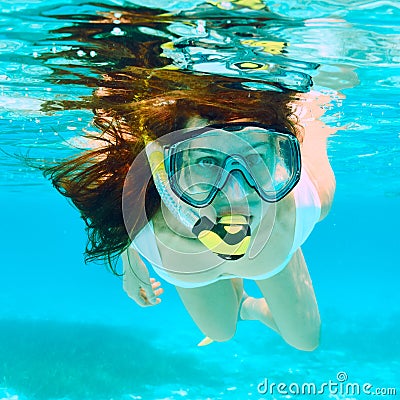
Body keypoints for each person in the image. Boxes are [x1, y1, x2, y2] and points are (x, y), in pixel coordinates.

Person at [43, 67, 336, 351]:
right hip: (187, 265)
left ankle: (250, 305)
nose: (237, 196)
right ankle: (245, 306)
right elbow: (119, 212)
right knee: (221, 332)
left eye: (257, 157)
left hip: (271, 251)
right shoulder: (149, 222)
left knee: (306, 340)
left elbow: (310, 127)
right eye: (207, 161)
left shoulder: (305, 204)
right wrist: (131, 264)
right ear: (164, 168)